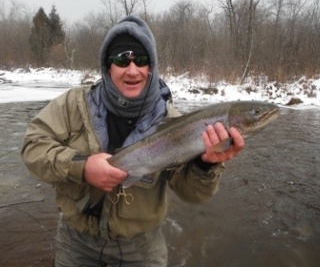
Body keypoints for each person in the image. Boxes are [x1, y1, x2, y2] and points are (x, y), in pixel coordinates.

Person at [21, 15, 244, 267]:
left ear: (152, 67)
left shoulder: (175, 123)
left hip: (140, 249)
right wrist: (82, 167)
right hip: (76, 242)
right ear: (107, 66)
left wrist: (205, 166)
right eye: (121, 59)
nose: (132, 70)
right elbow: (32, 147)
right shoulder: (72, 104)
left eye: (141, 60)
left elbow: (192, 194)